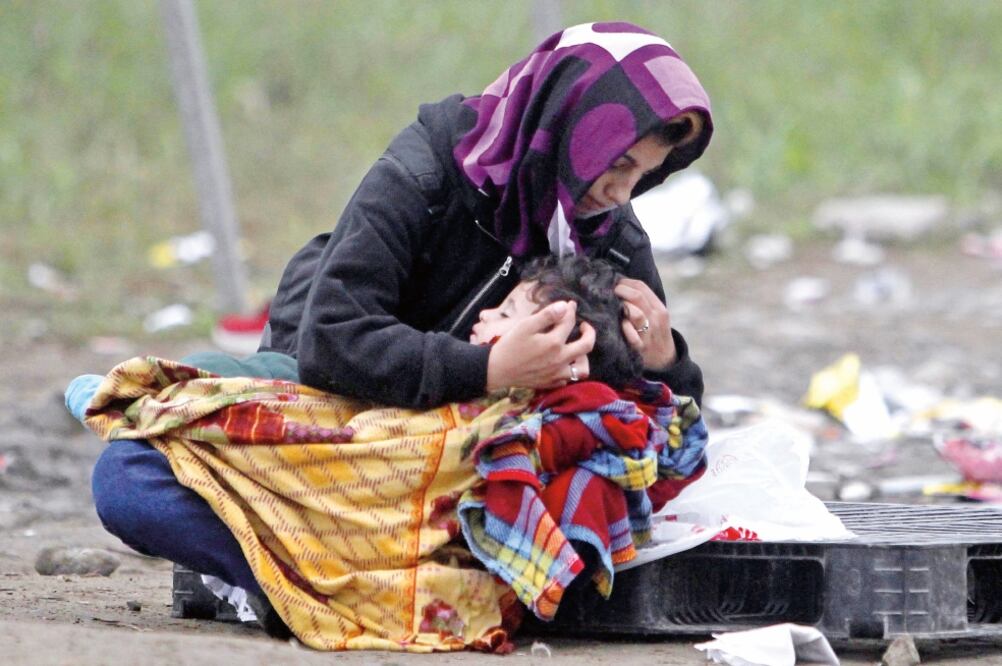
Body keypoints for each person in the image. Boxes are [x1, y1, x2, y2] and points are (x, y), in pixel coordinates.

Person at [263, 21, 713, 409]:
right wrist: (490, 370)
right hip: (311, 392)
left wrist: (667, 361)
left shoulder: (607, 233)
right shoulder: (427, 171)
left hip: (454, 437)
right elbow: (330, 339)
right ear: (567, 126)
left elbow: (671, 428)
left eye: (644, 174)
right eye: (617, 163)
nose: (622, 192)